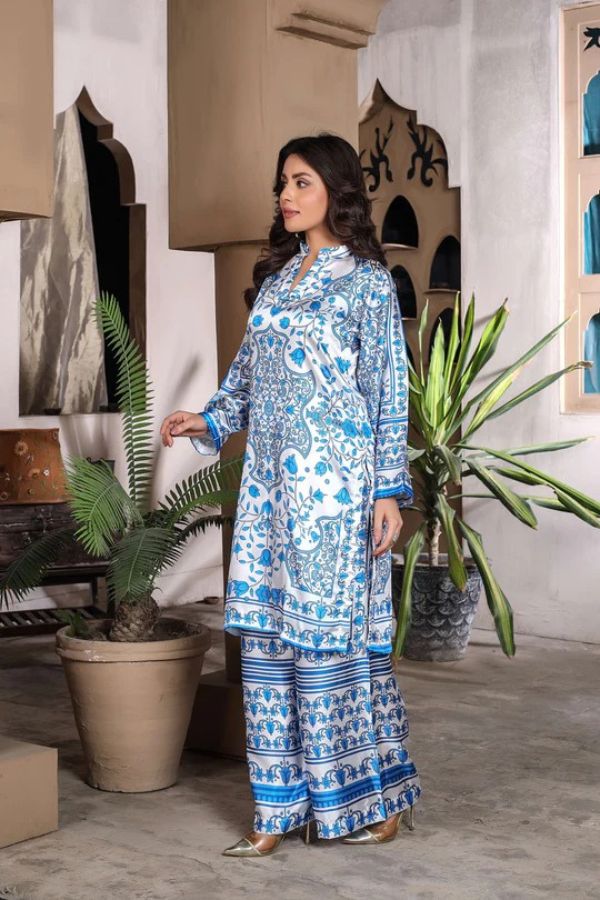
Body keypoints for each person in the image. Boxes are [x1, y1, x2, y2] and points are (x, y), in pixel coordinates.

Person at [160, 133, 421, 857]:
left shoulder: (366, 281)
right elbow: (244, 381)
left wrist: (388, 492)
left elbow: (388, 393)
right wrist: (205, 419)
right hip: (272, 496)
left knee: (333, 652)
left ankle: (370, 803)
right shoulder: (277, 282)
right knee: (271, 653)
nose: (286, 195)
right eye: (283, 182)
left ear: (335, 190)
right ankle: (276, 814)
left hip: (337, 496)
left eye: (301, 182)